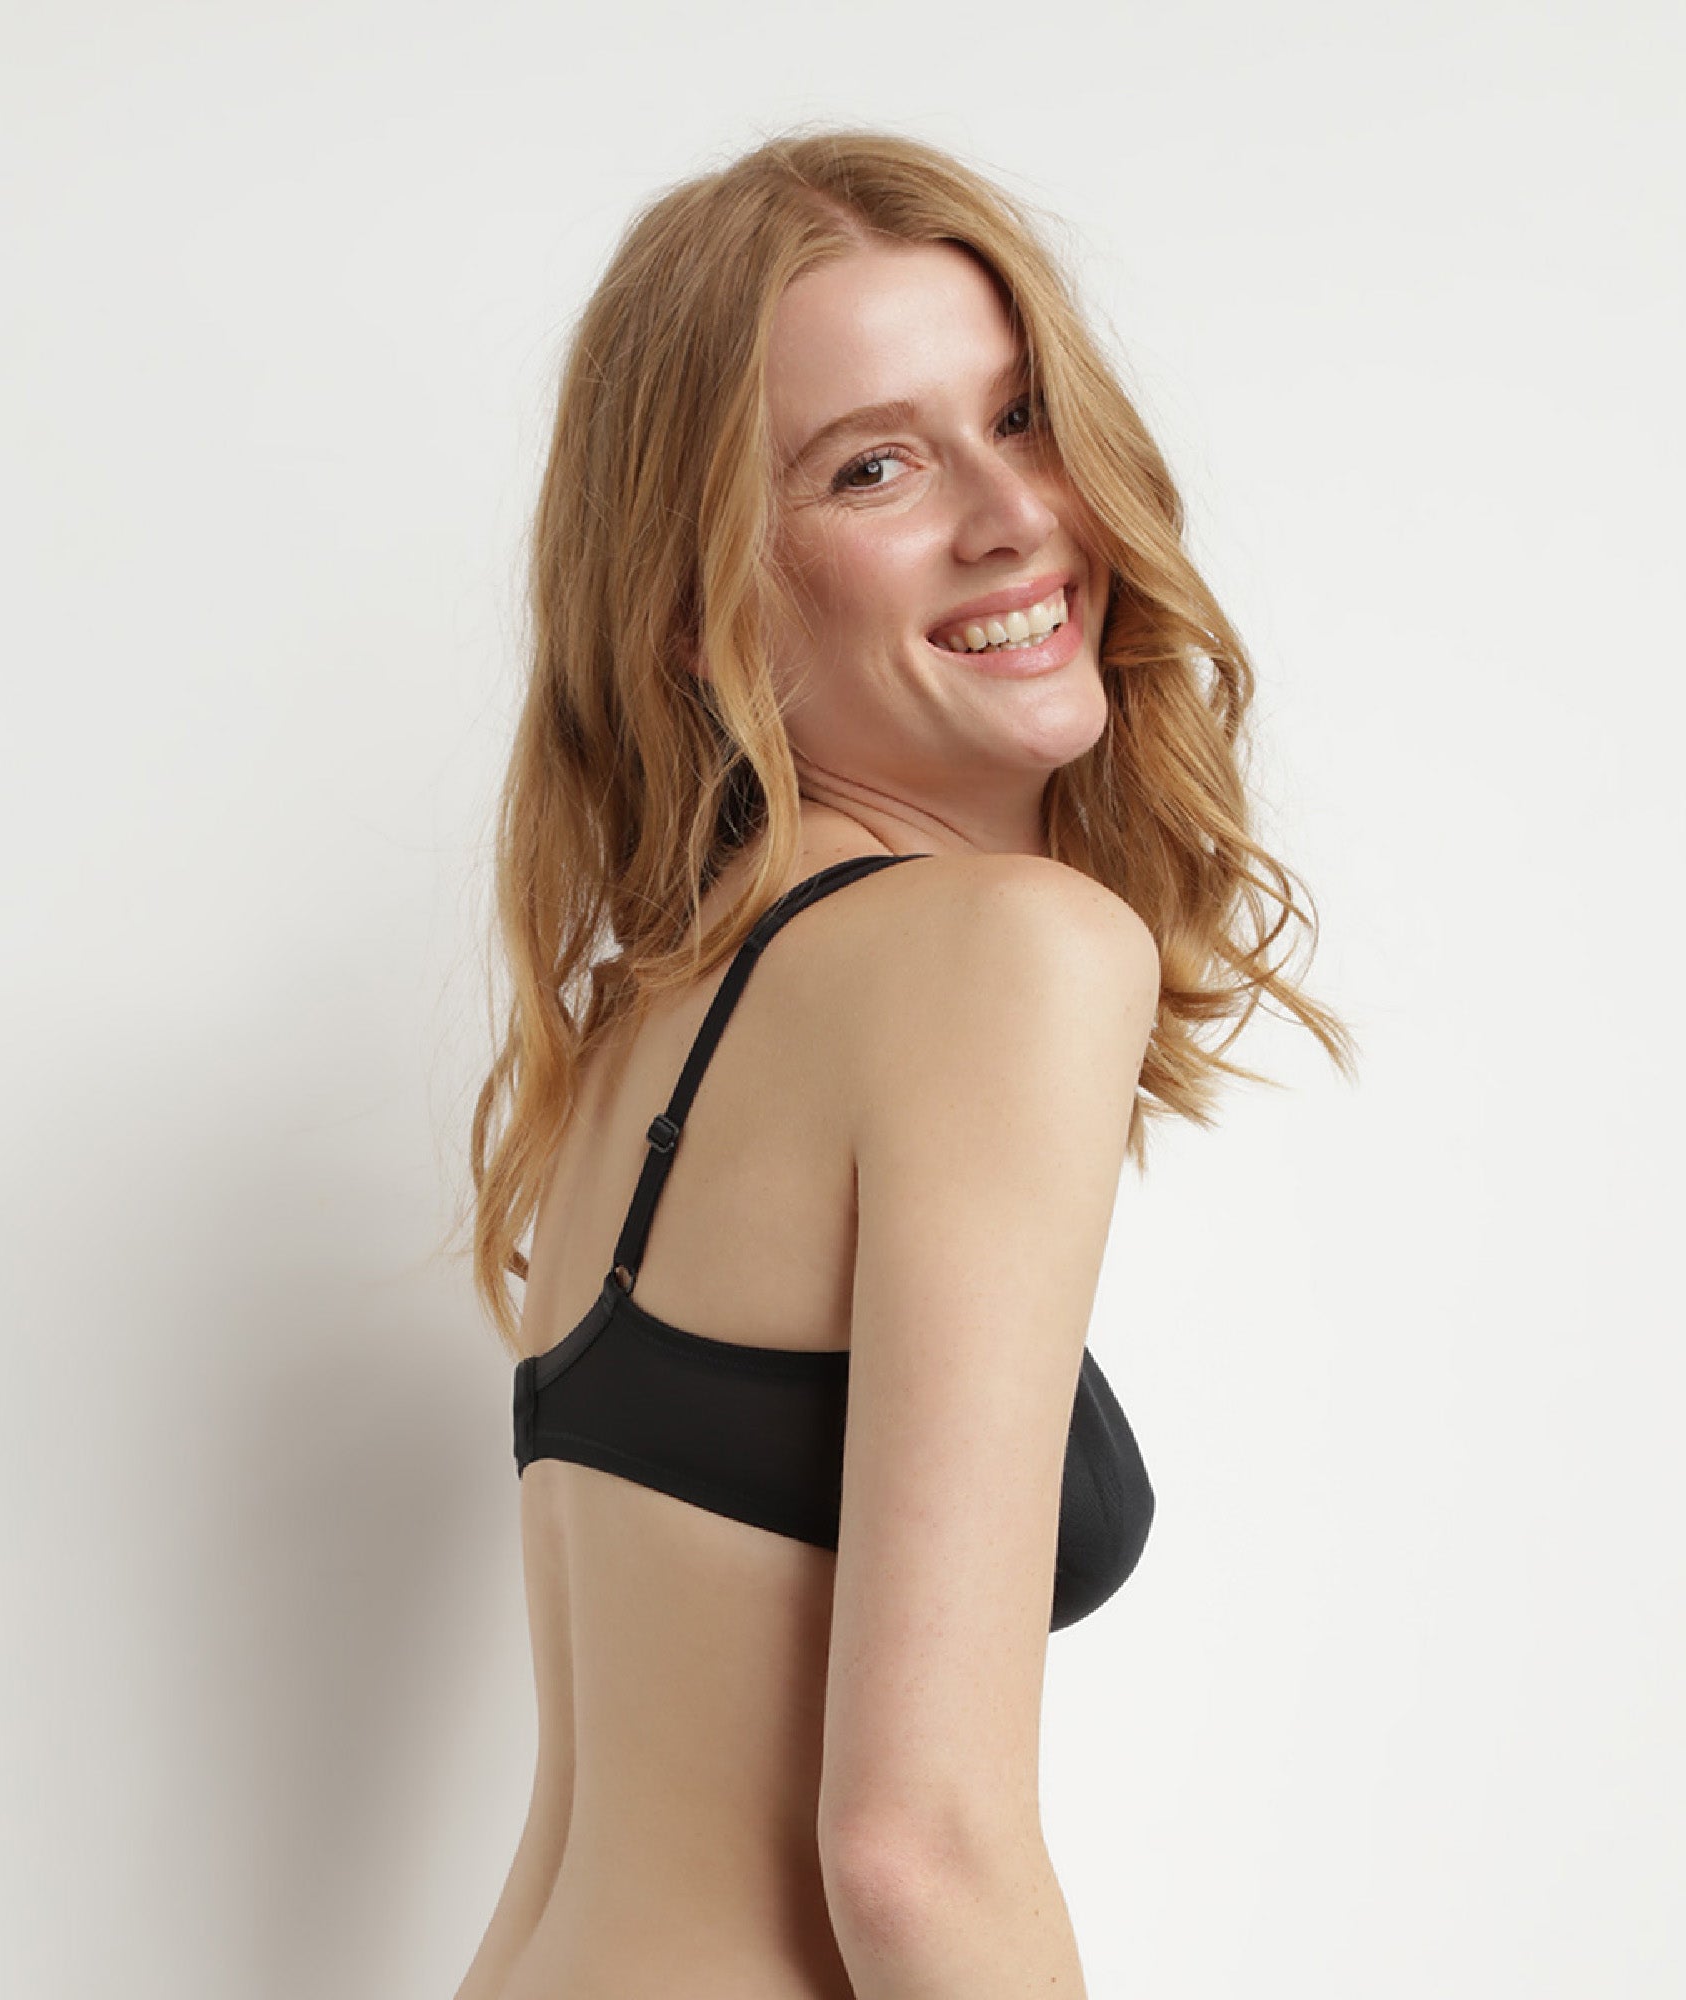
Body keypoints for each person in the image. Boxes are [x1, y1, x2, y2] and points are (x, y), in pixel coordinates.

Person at [451, 127, 1356, 2000]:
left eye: (1021, 418)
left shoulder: (644, 1029)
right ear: (695, 605)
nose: (1015, 512)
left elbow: (577, 1837)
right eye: (874, 465)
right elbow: (914, 1851)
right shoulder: (1007, 952)